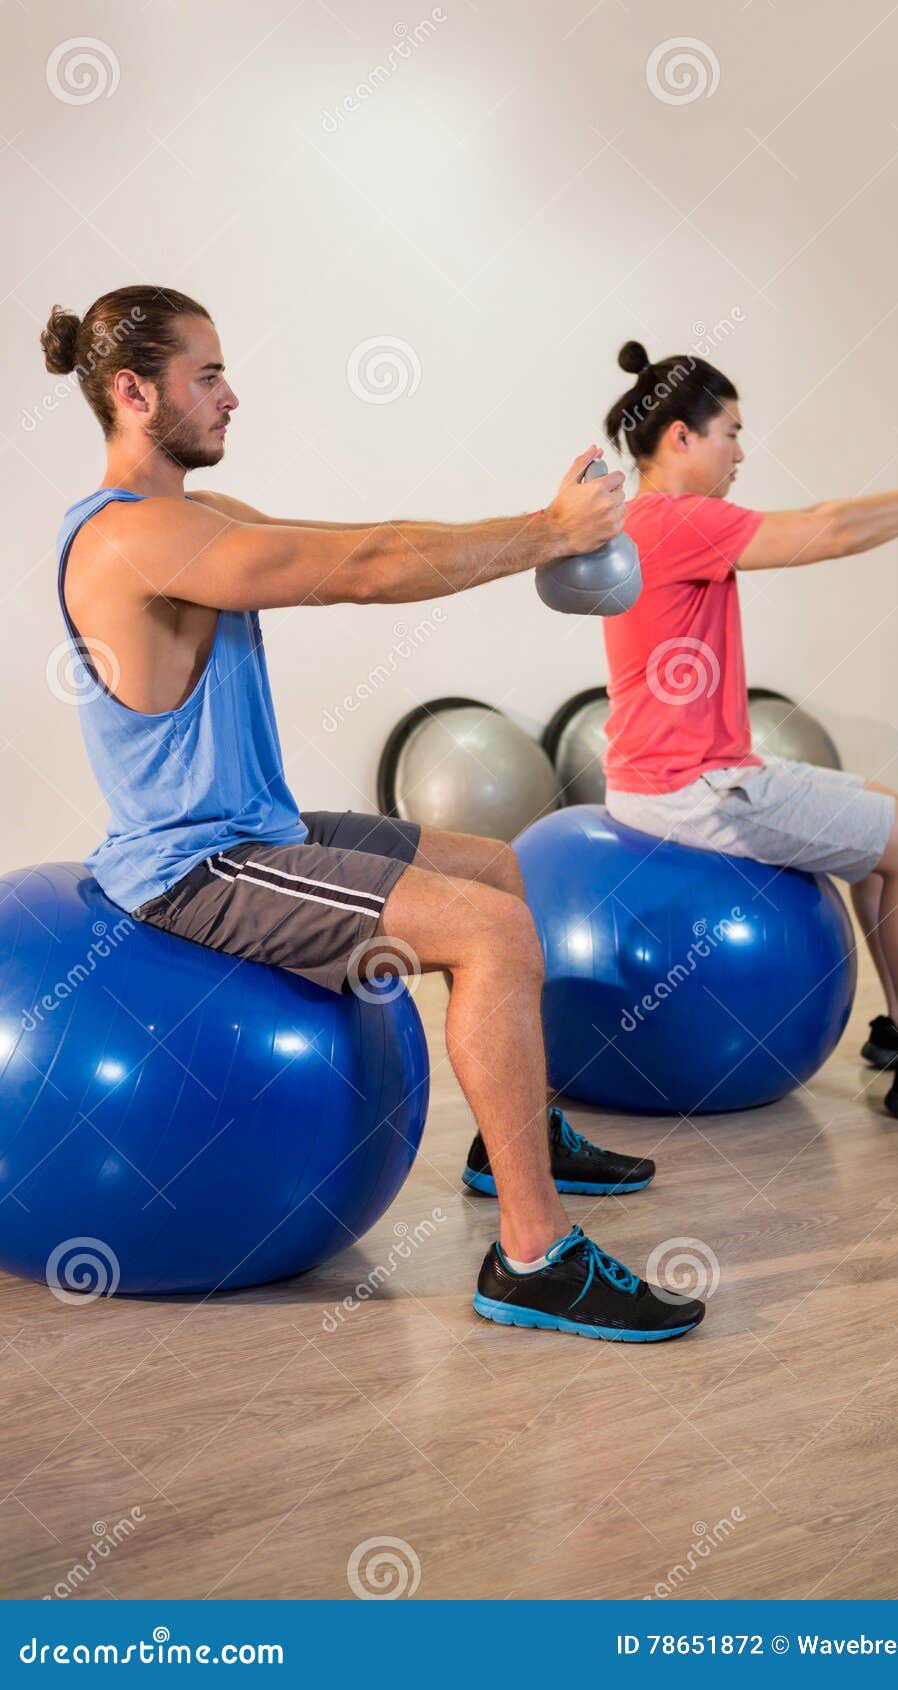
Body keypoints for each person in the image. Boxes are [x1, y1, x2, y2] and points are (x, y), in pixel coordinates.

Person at [40, 286, 706, 1343]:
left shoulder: (199, 518)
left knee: (492, 867)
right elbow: (356, 573)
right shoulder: (130, 541)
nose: (231, 395)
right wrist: (545, 534)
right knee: (489, 935)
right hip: (193, 863)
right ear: (133, 391)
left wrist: (532, 528)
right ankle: (533, 1257)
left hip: (256, 823)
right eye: (206, 375)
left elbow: (371, 539)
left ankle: (511, 1138)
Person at [600, 340, 898, 1138]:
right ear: (679, 438)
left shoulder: (650, 519)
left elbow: (832, 523)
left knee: (891, 819)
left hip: (698, 766)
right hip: (686, 788)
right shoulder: (673, 518)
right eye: (729, 432)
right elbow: (828, 530)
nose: (739, 451)